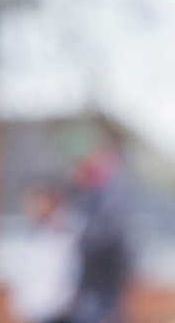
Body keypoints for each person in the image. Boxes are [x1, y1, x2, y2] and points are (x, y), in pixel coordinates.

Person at [68, 138, 132, 323]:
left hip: (104, 268)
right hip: (93, 271)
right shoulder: (87, 194)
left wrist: (82, 240)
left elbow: (107, 231)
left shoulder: (109, 191)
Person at [0, 182, 83, 323]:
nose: (35, 208)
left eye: (41, 203)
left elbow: (69, 278)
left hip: (58, 315)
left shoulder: (64, 238)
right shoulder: (26, 240)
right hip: (32, 314)